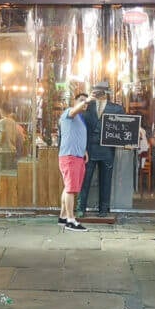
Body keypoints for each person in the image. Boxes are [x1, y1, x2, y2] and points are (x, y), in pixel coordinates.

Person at [76, 81, 125, 217]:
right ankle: (81, 208)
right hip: (89, 148)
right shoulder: (86, 106)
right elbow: (78, 122)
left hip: (107, 149)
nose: (98, 93)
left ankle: (104, 209)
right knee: (85, 180)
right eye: (96, 91)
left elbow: (124, 128)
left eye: (100, 91)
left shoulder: (116, 109)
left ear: (106, 93)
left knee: (106, 180)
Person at [58, 92, 90, 231]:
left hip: (77, 156)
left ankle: (63, 216)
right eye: (81, 100)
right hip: (70, 156)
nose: (85, 103)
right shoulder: (68, 113)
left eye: (86, 101)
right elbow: (74, 110)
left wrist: (84, 150)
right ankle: (70, 220)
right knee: (71, 189)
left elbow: (76, 136)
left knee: (68, 188)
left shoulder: (80, 119)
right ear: (75, 101)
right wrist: (88, 99)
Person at [0, 102, 23, 172]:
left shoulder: (1, 122)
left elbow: (1, 137)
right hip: (12, 151)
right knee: (8, 173)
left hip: (3, 151)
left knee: (0, 173)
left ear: (2, 110)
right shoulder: (13, 122)